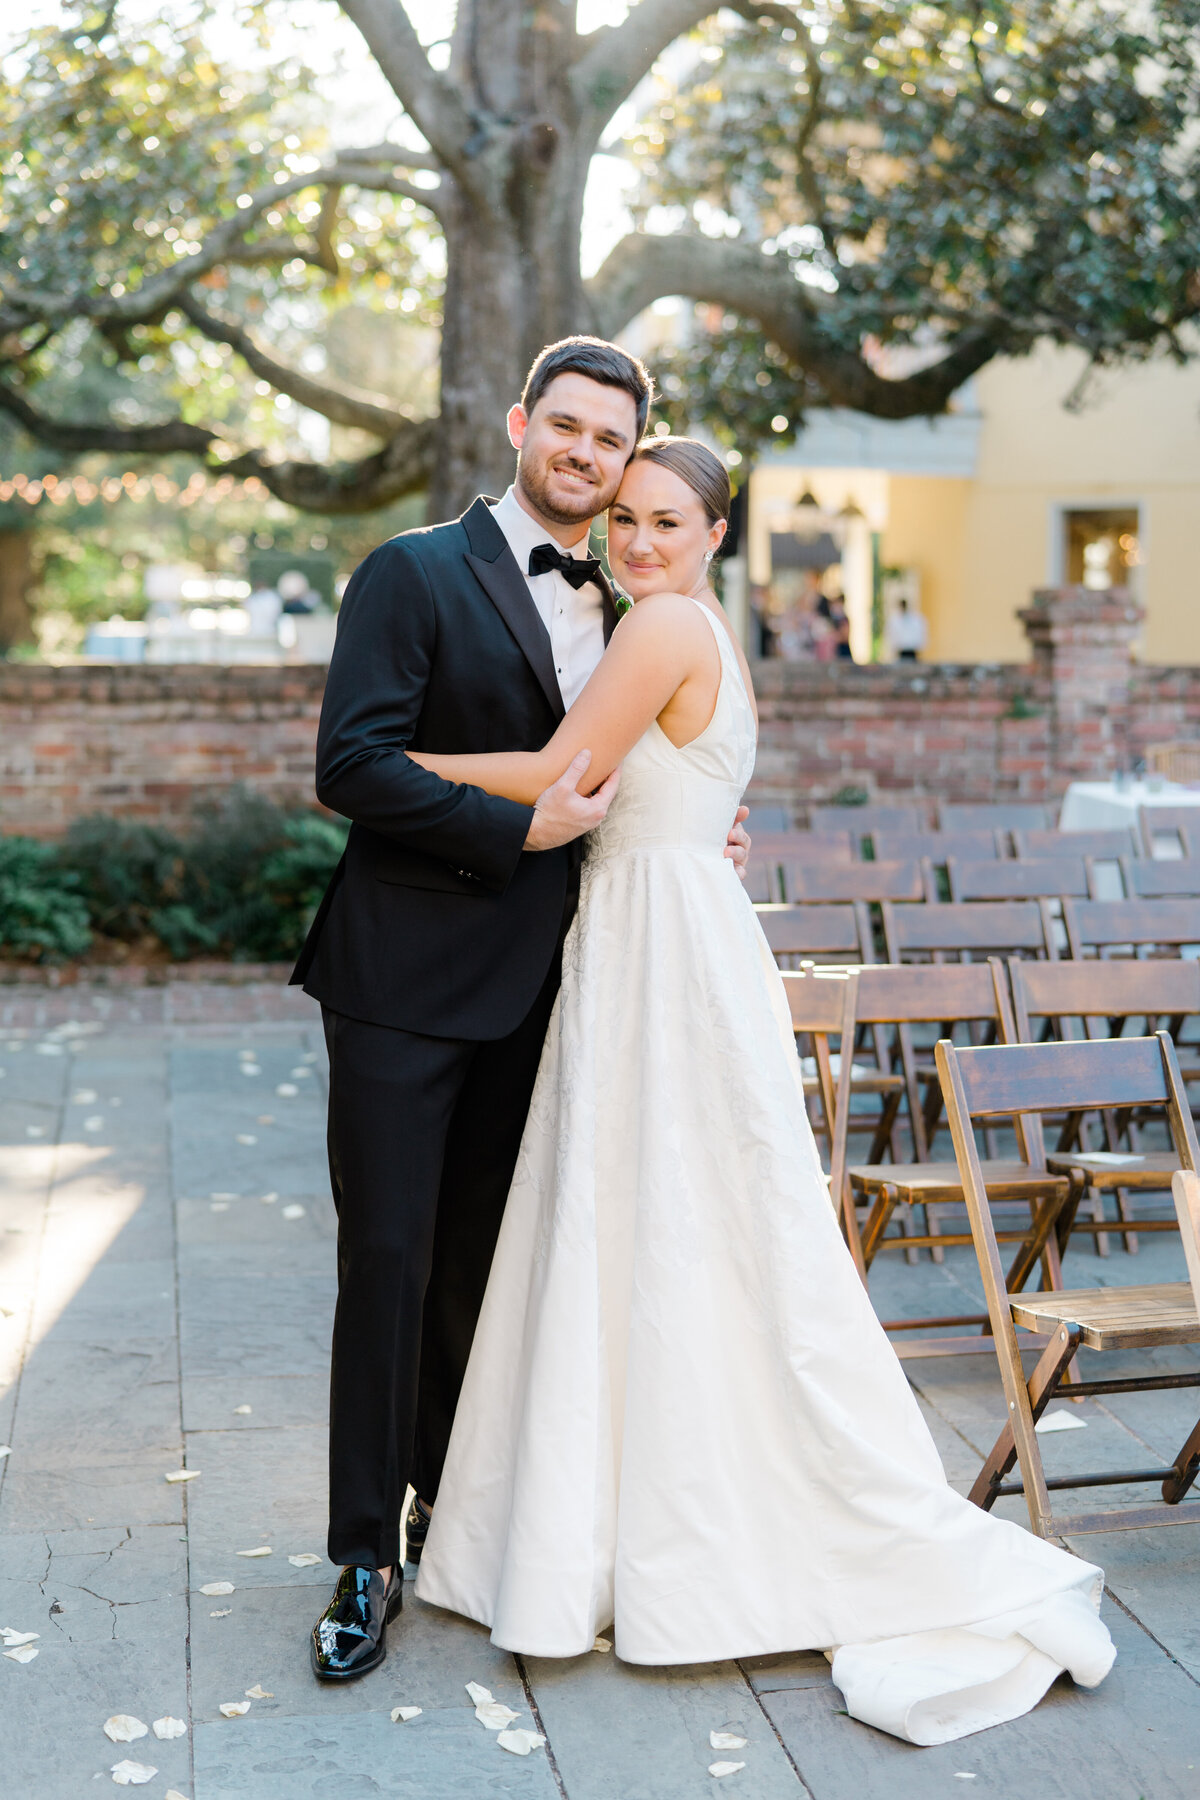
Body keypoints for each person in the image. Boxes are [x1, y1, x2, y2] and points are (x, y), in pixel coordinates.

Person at [410, 436, 1115, 1746]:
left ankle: (634, 1537)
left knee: (655, 1213)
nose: (639, 542)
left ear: (715, 533)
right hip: (673, 928)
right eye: (624, 519)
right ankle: (640, 1519)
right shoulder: (702, 635)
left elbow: (567, 776)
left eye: (667, 521)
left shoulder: (664, 624)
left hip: (657, 946)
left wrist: (397, 771)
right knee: (687, 1223)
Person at [291, 339, 750, 1682]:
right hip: (401, 980)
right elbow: (352, 766)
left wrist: (691, 835)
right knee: (388, 1261)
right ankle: (365, 1556)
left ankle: (466, 1518)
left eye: (611, 442)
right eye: (567, 428)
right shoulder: (413, 571)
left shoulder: (632, 601)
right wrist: (519, 822)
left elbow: (642, 757)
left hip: (557, 987)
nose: (586, 456)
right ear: (519, 426)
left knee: (489, 1275)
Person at [890, 593, 929, 661]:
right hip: (900, 650)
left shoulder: (916, 619)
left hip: (912, 650)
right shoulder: (895, 619)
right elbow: (892, 635)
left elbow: (921, 634)